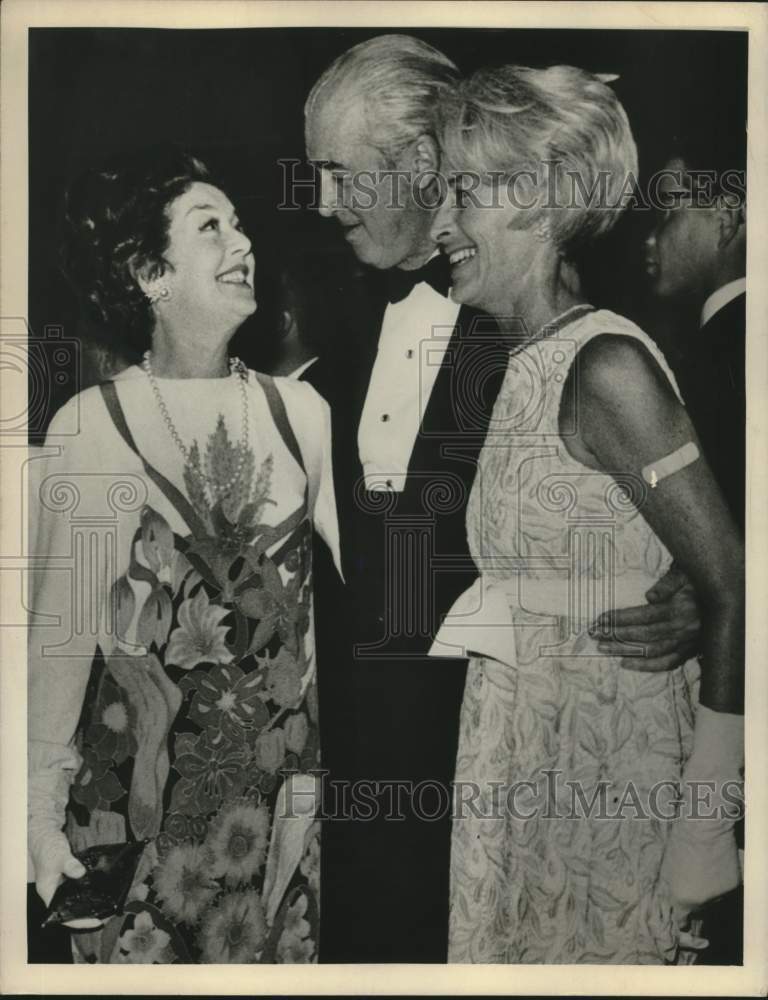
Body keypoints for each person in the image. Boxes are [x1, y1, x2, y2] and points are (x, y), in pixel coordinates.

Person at [303, 34, 702, 963]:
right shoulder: (336, 333)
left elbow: (685, 500)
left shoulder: (557, 335)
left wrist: (703, 585)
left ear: (419, 164)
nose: (320, 202)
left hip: (520, 766)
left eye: (338, 172)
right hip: (370, 792)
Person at [429, 63, 744, 964]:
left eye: (464, 194)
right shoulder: (517, 365)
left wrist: (702, 830)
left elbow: (735, 586)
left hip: (610, 782)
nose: (442, 226)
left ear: (539, 198)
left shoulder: (606, 366)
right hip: (521, 769)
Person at [27, 146, 339, 964]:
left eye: (241, 225)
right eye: (211, 227)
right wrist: (32, 820)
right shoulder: (92, 427)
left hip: (277, 825)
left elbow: (350, 621)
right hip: (135, 822)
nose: (243, 243)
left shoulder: (303, 415)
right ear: (148, 273)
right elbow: (56, 651)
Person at [644, 125, 747, 963]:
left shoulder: (721, 356)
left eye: (669, 211)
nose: (651, 237)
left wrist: (709, 588)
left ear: (734, 213)